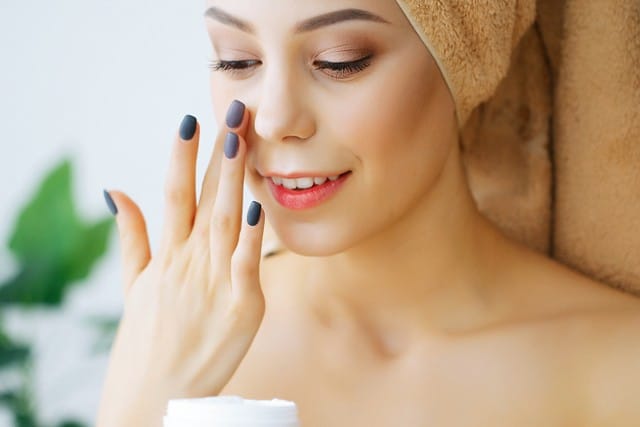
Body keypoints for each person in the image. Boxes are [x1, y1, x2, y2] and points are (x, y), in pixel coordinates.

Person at [97, 1, 640, 426]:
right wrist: (146, 401)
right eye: (237, 61)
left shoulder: (618, 370)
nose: (275, 119)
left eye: (340, 61)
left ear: (465, 55)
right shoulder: (185, 333)